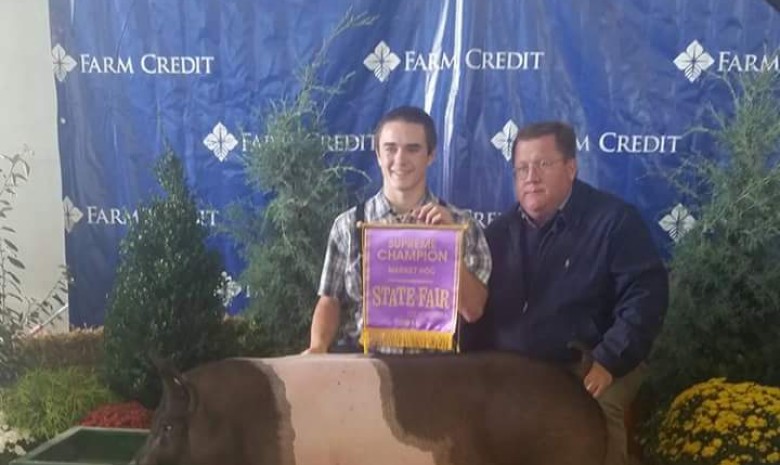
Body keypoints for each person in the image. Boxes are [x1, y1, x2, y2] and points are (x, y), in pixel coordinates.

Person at [462, 121, 668, 465]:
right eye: (522, 168)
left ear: (571, 168)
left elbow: (645, 297)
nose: (531, 176)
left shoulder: (615, 222)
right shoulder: (496, 234)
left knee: (594, 413)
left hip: (592, 363)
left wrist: (609, 361)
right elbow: (478, 315)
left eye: (543, 164)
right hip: (515, 367)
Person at [304, 106, 492, 354]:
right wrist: (317, 347)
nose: (400, 159)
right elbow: (329, 300)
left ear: (431, 155)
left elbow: (473, 310)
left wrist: (447, 247)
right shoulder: (348, 225)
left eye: (413, 149)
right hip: (366, 368)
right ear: (378, 155)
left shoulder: (461, 225)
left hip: (436, 373)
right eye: (390, 148)